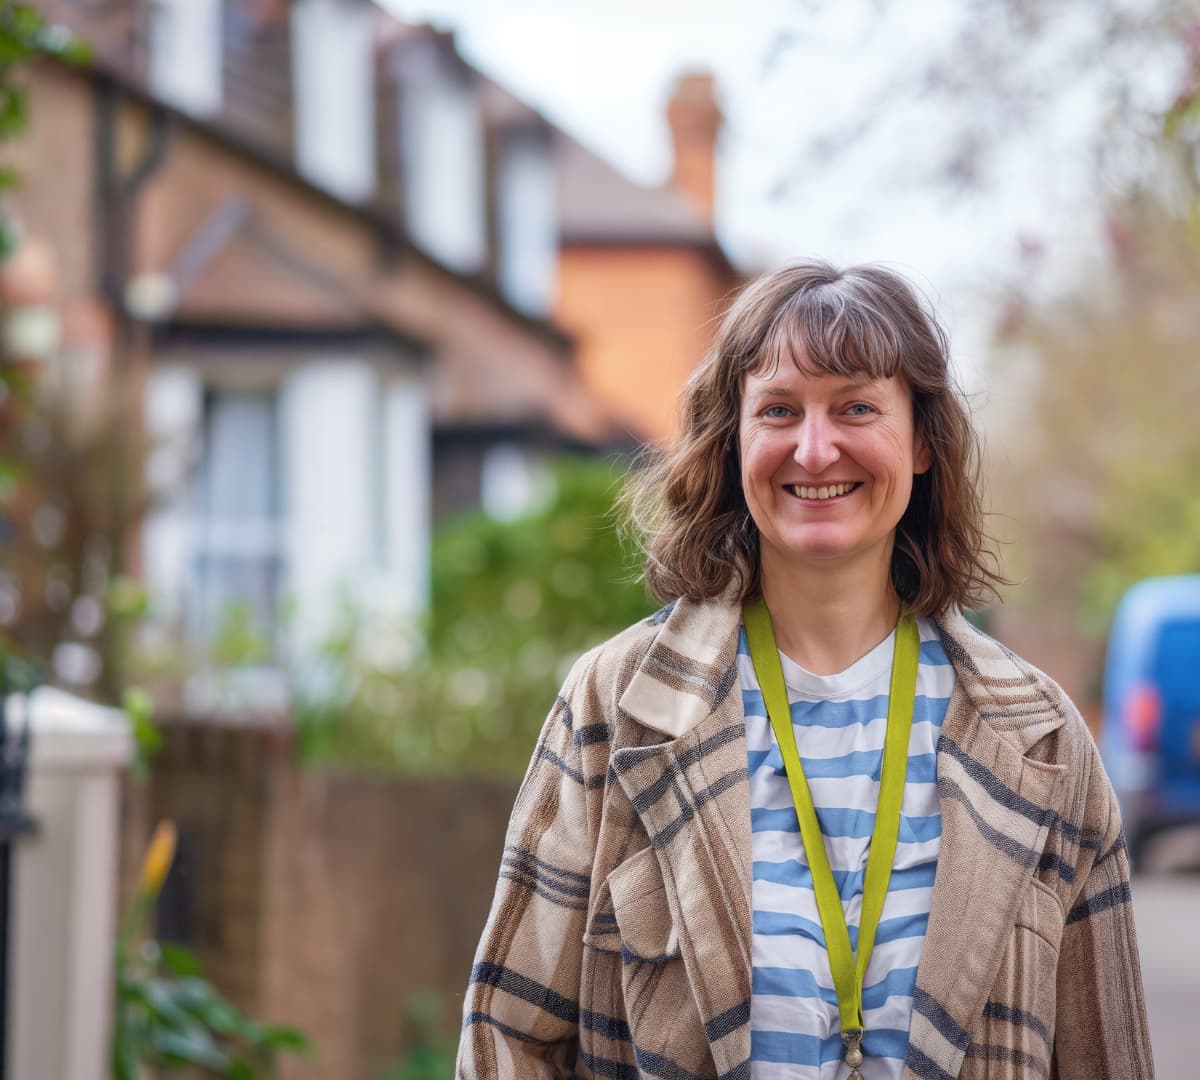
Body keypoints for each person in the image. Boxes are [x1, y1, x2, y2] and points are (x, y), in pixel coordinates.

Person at [457, 260, 1154, 1079]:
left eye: (857, 407)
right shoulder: (616, 708)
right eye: (779, 410)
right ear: (735, 442)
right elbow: (508, 1038)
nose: (815, 449)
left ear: (924, 440)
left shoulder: (1042, 743)